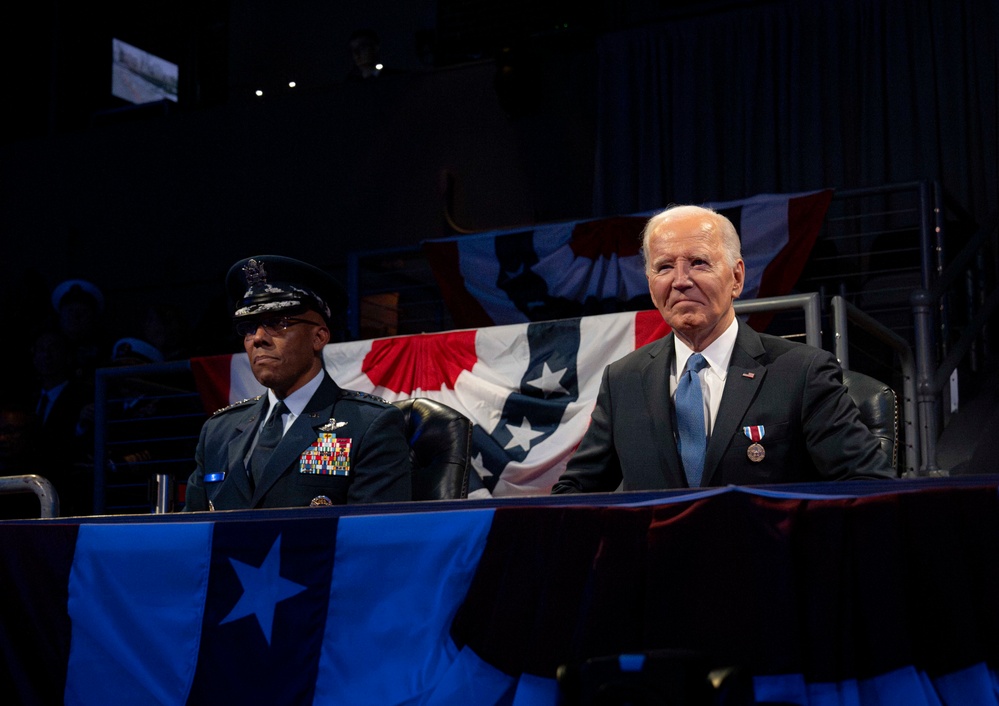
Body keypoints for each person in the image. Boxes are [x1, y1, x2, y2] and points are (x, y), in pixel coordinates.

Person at [552, 205, 895, 494]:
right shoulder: (623, 379)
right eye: (664, 267)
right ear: (650, 283)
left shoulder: (802, 372)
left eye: (698, 262)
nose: (681, 280)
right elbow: (574, 495)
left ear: (736, 277)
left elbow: (866, 486)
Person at [183, 255, 412, 511]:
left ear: (319, 337)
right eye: (249, 327)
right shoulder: (218, 431)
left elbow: (373, 537)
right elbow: (190, 533)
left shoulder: (368, 425)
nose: (258, 338)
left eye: (278, 323)